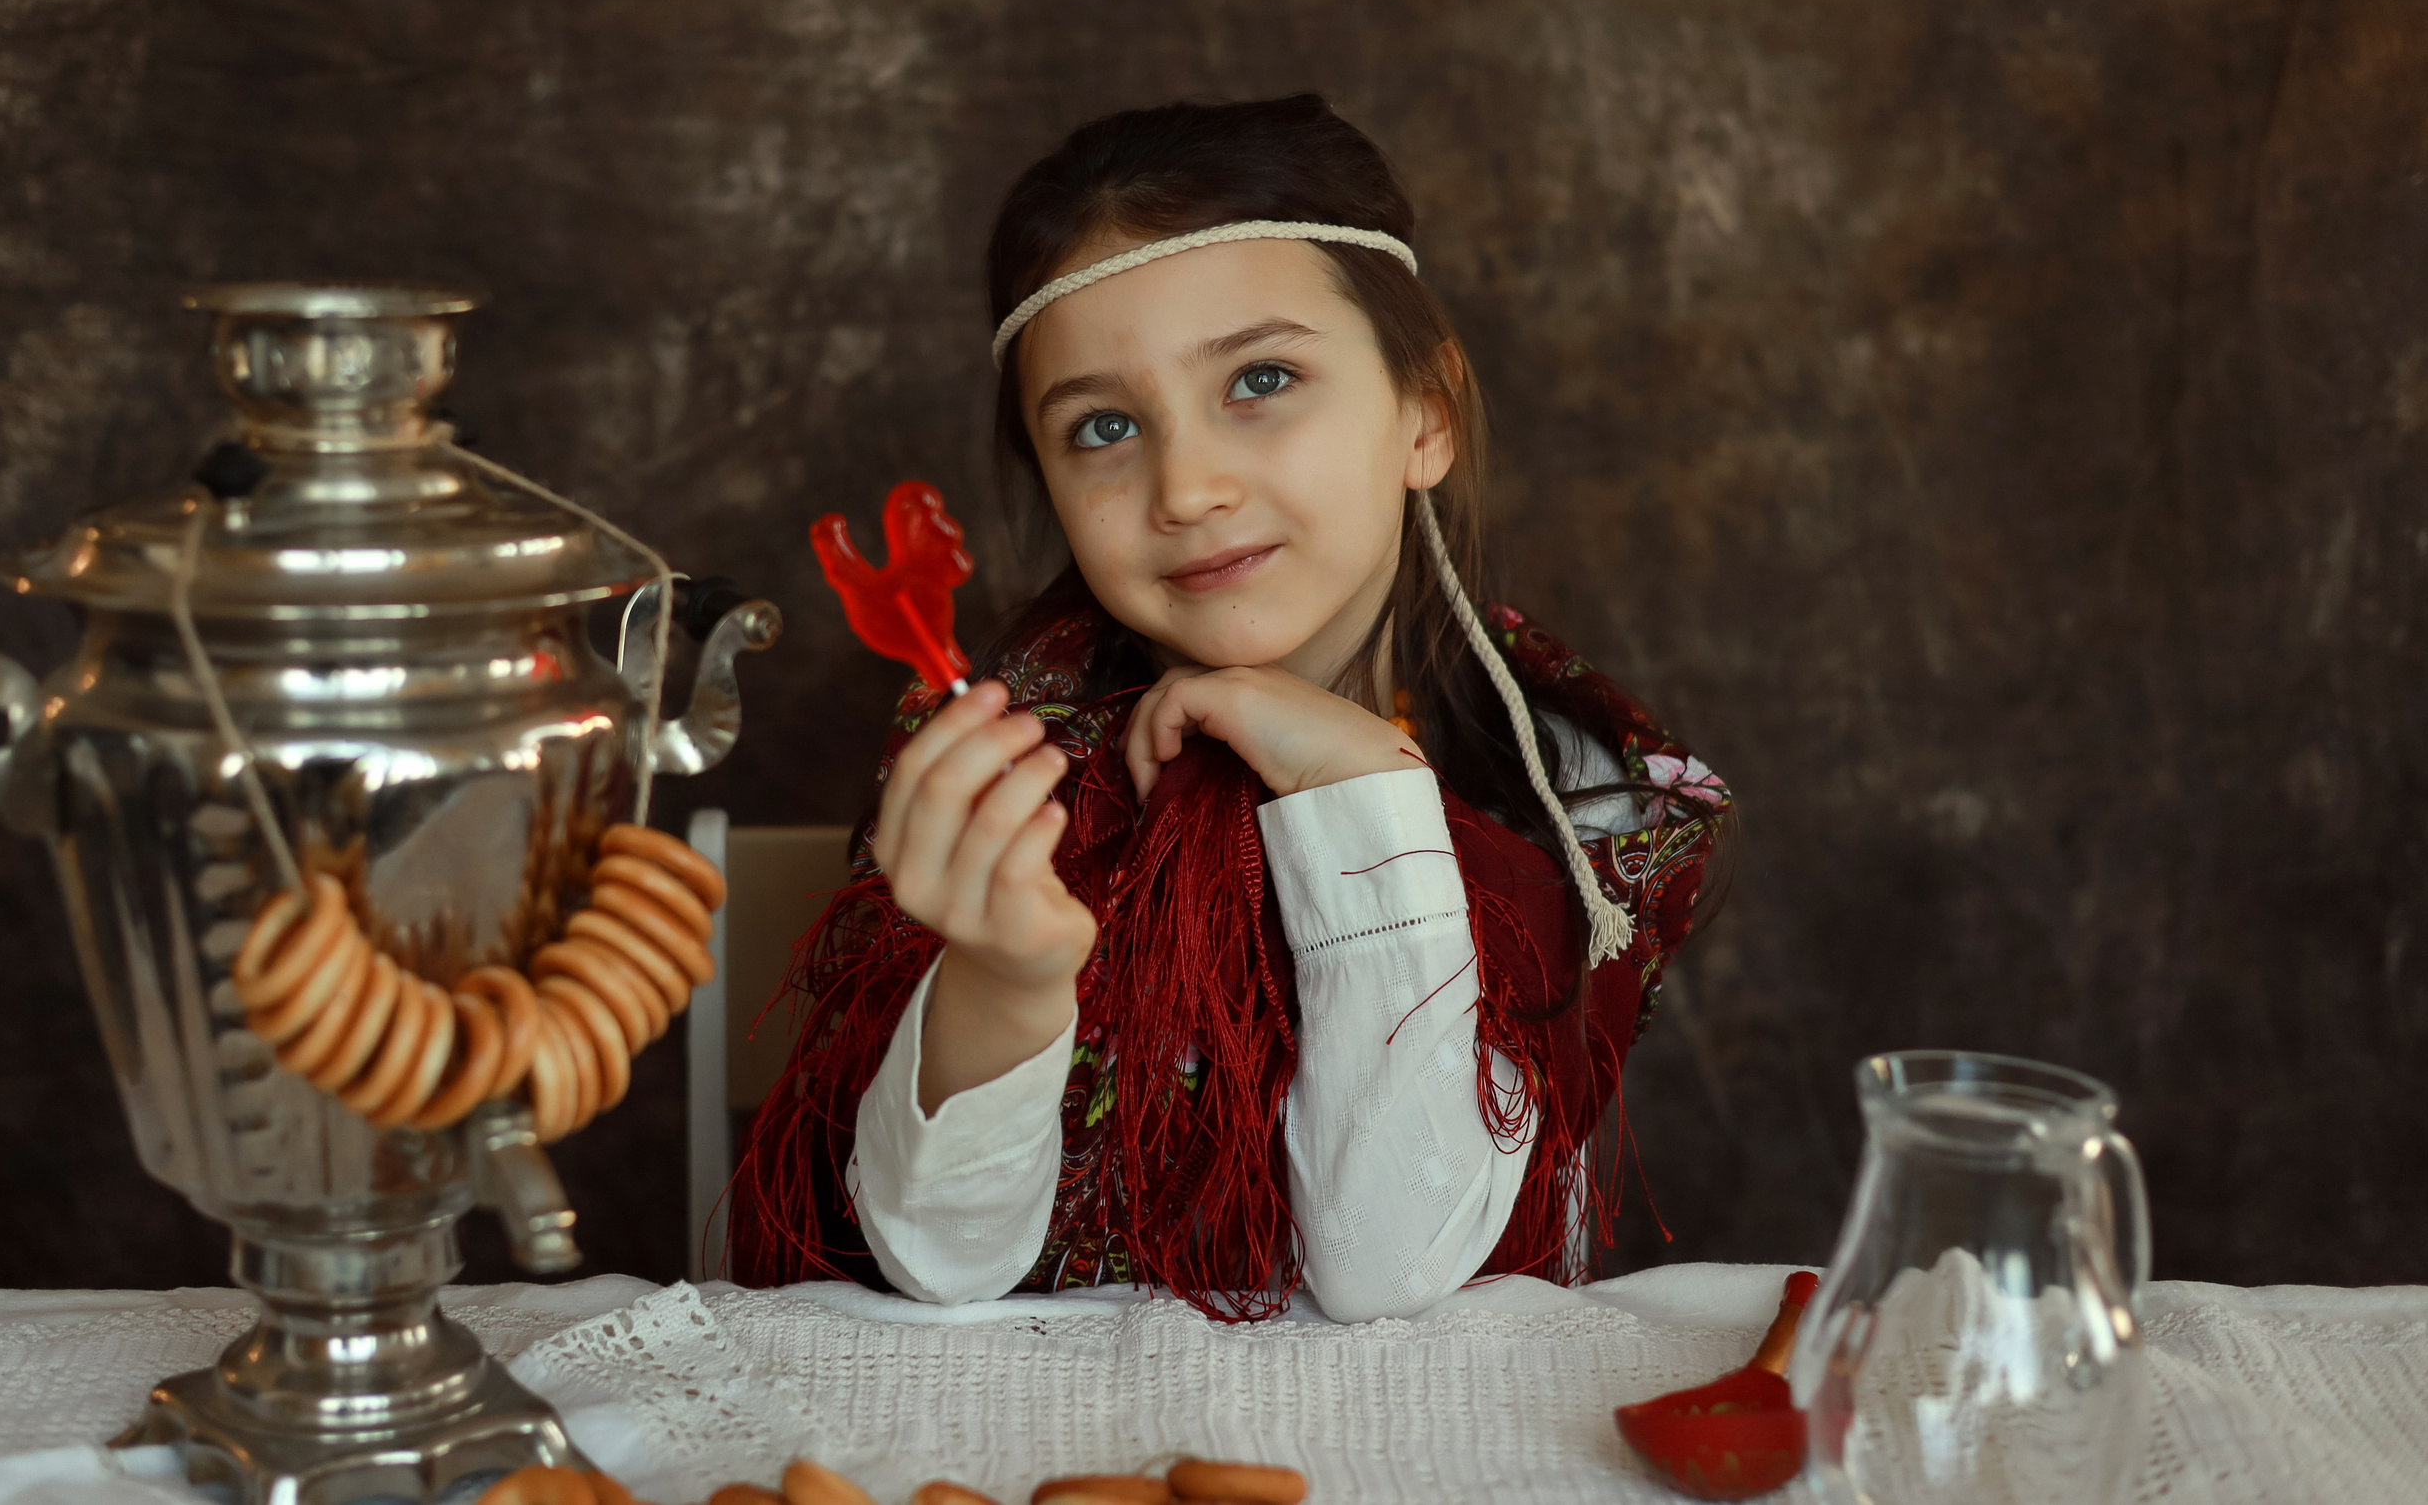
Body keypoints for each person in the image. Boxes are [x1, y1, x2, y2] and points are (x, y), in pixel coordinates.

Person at [728, 95, 1732, 1322]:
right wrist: (1005, 980)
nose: (1187, 487)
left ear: (1425, 413)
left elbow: (1388, 1276)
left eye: (1261, 379)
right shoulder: (1004, 777)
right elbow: (932, 1270)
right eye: (1102, 427)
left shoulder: (1576, 801)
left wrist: (1365, 797)